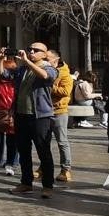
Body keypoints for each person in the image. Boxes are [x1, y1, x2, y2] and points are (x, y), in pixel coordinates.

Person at [3, 42, 57, 198]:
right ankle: (26, 183)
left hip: (40, 116)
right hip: (21, 115)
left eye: (36, 50)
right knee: (24, 151)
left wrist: (26, 61)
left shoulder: (49, 67)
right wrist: (1, 59)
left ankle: (47, 185)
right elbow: (4, 75)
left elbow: (46, 76)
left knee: (43, 151)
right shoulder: (22, 69)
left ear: (44, 54)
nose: (31, 51)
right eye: (29, 49)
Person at [48, 49, 74, 182]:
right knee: (43, 142)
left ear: (56, 60)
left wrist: (49, 86)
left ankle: (66, 169)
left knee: (62, 141)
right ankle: (44, 168)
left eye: (48, 59)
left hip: (59, 111)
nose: (45, 61)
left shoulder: (65, 74)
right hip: (44, 111)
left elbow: (66, 91)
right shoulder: (43, 70)